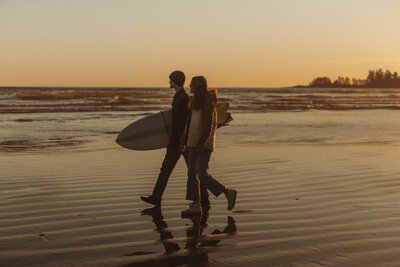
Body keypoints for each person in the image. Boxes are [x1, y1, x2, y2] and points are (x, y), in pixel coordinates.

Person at [141, 71, 210, 207]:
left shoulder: (181, 97)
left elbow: (181, 121)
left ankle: (157, 197)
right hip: (181, 140)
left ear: (176, 81)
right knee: (191, 171)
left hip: (178, 141)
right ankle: (205, 198)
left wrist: (179, 141)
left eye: (171, 80)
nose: (169, 82)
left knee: (171, 170)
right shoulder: (181, 96)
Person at [180, 76, 237, 216]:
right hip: (192, 142)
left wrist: (200, 145)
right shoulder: (195, 102)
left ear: (197, 85)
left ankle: (227, 192)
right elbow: (189, 124)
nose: (189, 85)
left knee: (201, 174)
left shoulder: (207, 103)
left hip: (203, 143)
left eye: (191, 83)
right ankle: (195, 205)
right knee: (192, 174)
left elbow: (207, 127)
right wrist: (183, 141)